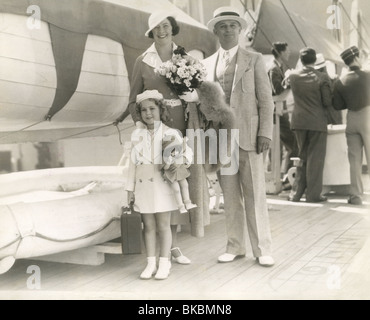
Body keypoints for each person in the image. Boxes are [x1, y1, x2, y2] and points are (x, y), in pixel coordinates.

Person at [115, 10, 211, 264]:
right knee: (158, 182)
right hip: (152, 130)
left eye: (166, 25)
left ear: (173, 28)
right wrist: (139, 126)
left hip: (180, 127)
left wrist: (195, 99)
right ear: (151, 32)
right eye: (157, 27)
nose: (162, 30)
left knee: (175, 180)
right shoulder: (142, 61)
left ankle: (173, 246)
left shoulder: (186, 58)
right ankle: (160, 249)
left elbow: (203, 92)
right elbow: (133, 99)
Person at [202, 7, 275, 267]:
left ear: (240, 29)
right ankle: (235, 246)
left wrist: (265, 132)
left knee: (255, 195)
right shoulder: (206, 64)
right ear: (216, 30)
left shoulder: (254, 60)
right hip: (221, 140)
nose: (229, 30)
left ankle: (262, 249)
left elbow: (266, 102)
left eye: (233, 25)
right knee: (230, 197)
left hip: (250, 137)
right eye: (223, 26)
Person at [125, 90, 193, 280]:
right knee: (148, 226)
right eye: (144, 110)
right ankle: (150, 263)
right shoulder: (137, 134)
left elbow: (188, 155)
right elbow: (132, 164)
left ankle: (164, 263)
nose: (148, 113)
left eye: (152, 108)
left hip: (163, 185)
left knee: (163, 225)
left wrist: (178, 160)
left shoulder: (171, 133)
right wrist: (129, 189)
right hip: (143, 186)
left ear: (160, 109)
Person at [287, 47, 332, 203]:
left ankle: (296, 194)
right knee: (315, 159)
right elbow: (327, 101)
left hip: (299, 122)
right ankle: (313, 195)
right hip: (317, 122)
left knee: (301, 157)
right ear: (315, 60)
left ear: (301, 60)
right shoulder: (322, 77)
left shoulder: (293, 76)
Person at [333, 46, 370, 205]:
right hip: (368, 116)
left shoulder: (340, 81)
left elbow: (337, 105)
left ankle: (355, 196)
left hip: (351, 119)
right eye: (361, 55)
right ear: (355, 58)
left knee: (354, 160)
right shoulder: (368, 75)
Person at [267, 42, 298, 176]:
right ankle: (285, 175)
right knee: (293, 143)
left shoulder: (277, 67)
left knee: (276, 146)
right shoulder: (274, 69)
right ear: (280, 53)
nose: (289, 53)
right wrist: (290, 82)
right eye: (286, 51)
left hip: (277, 111)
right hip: (276, 111)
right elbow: (278, 91)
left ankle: (275, 174)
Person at [161, 136, 197, 214]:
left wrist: (184, 142)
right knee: (176, 190)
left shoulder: (177, 152)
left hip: (179, 171)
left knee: (185, 185)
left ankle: (187, 203)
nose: (173, 151)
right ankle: (181, 206)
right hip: (171, 174)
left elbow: (183, 149)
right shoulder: (165, 157)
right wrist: (168, 162)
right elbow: (165, 168)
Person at [314, 53, 342, 125]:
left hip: (323, 114)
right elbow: (327, 101)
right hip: (332, 113)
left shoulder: (316, 78)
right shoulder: (329, 78)